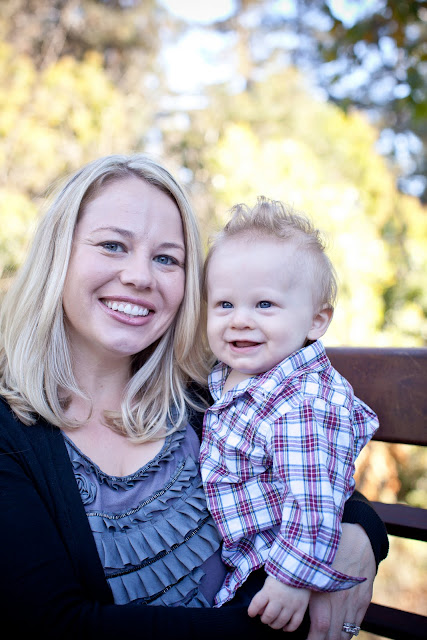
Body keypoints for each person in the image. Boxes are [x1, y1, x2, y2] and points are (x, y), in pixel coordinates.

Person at [0, 155, 387, 640]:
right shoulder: (11, 434)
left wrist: (362, 532)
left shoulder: (206, 401)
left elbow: (313, 473)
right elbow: (54, 626)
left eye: (167, 258)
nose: (140, 277)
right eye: (113, 245)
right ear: (58, 254)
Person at [200, 197, 381, 633]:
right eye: (224, 304)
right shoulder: (231, 375)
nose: (240, 320)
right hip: (248, 562)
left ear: (316, 321)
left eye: (264, 305)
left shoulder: (302, 401)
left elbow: (313, 500)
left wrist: (291, 580)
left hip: (279, 571)